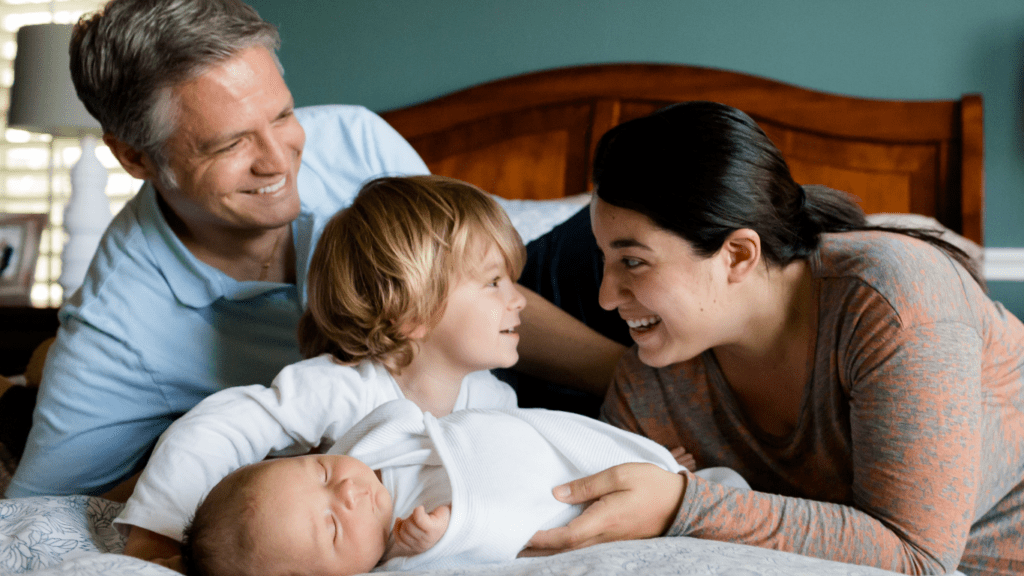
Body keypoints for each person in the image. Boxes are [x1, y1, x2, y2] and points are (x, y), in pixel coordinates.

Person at [4, 0, 625, 501]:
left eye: (282, 115)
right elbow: (42, 509)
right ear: (136, 157)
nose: (279, 162)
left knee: (634, 228)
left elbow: (473, 287)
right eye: (228, 145)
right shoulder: (118, 324)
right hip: (416, 417)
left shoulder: (353, 139)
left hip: (492, 340)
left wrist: (636, 378)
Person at [522, 101, 1024, 576]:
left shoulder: (892, 299)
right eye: (605, 260)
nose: (607, 297)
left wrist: (682, 503)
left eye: (633, 261)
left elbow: (918, 557)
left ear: (738, 255)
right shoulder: (648, 389)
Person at [170, 400, 746, 576]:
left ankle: (688, 485)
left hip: (574, 456)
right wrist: (441, 536)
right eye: (331, 526)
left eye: (321, 473)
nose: (346, 492)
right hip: (578, 506)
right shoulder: (401, 550)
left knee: (721, 492)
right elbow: (501, 545)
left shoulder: (374, 447)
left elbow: (409, 419)